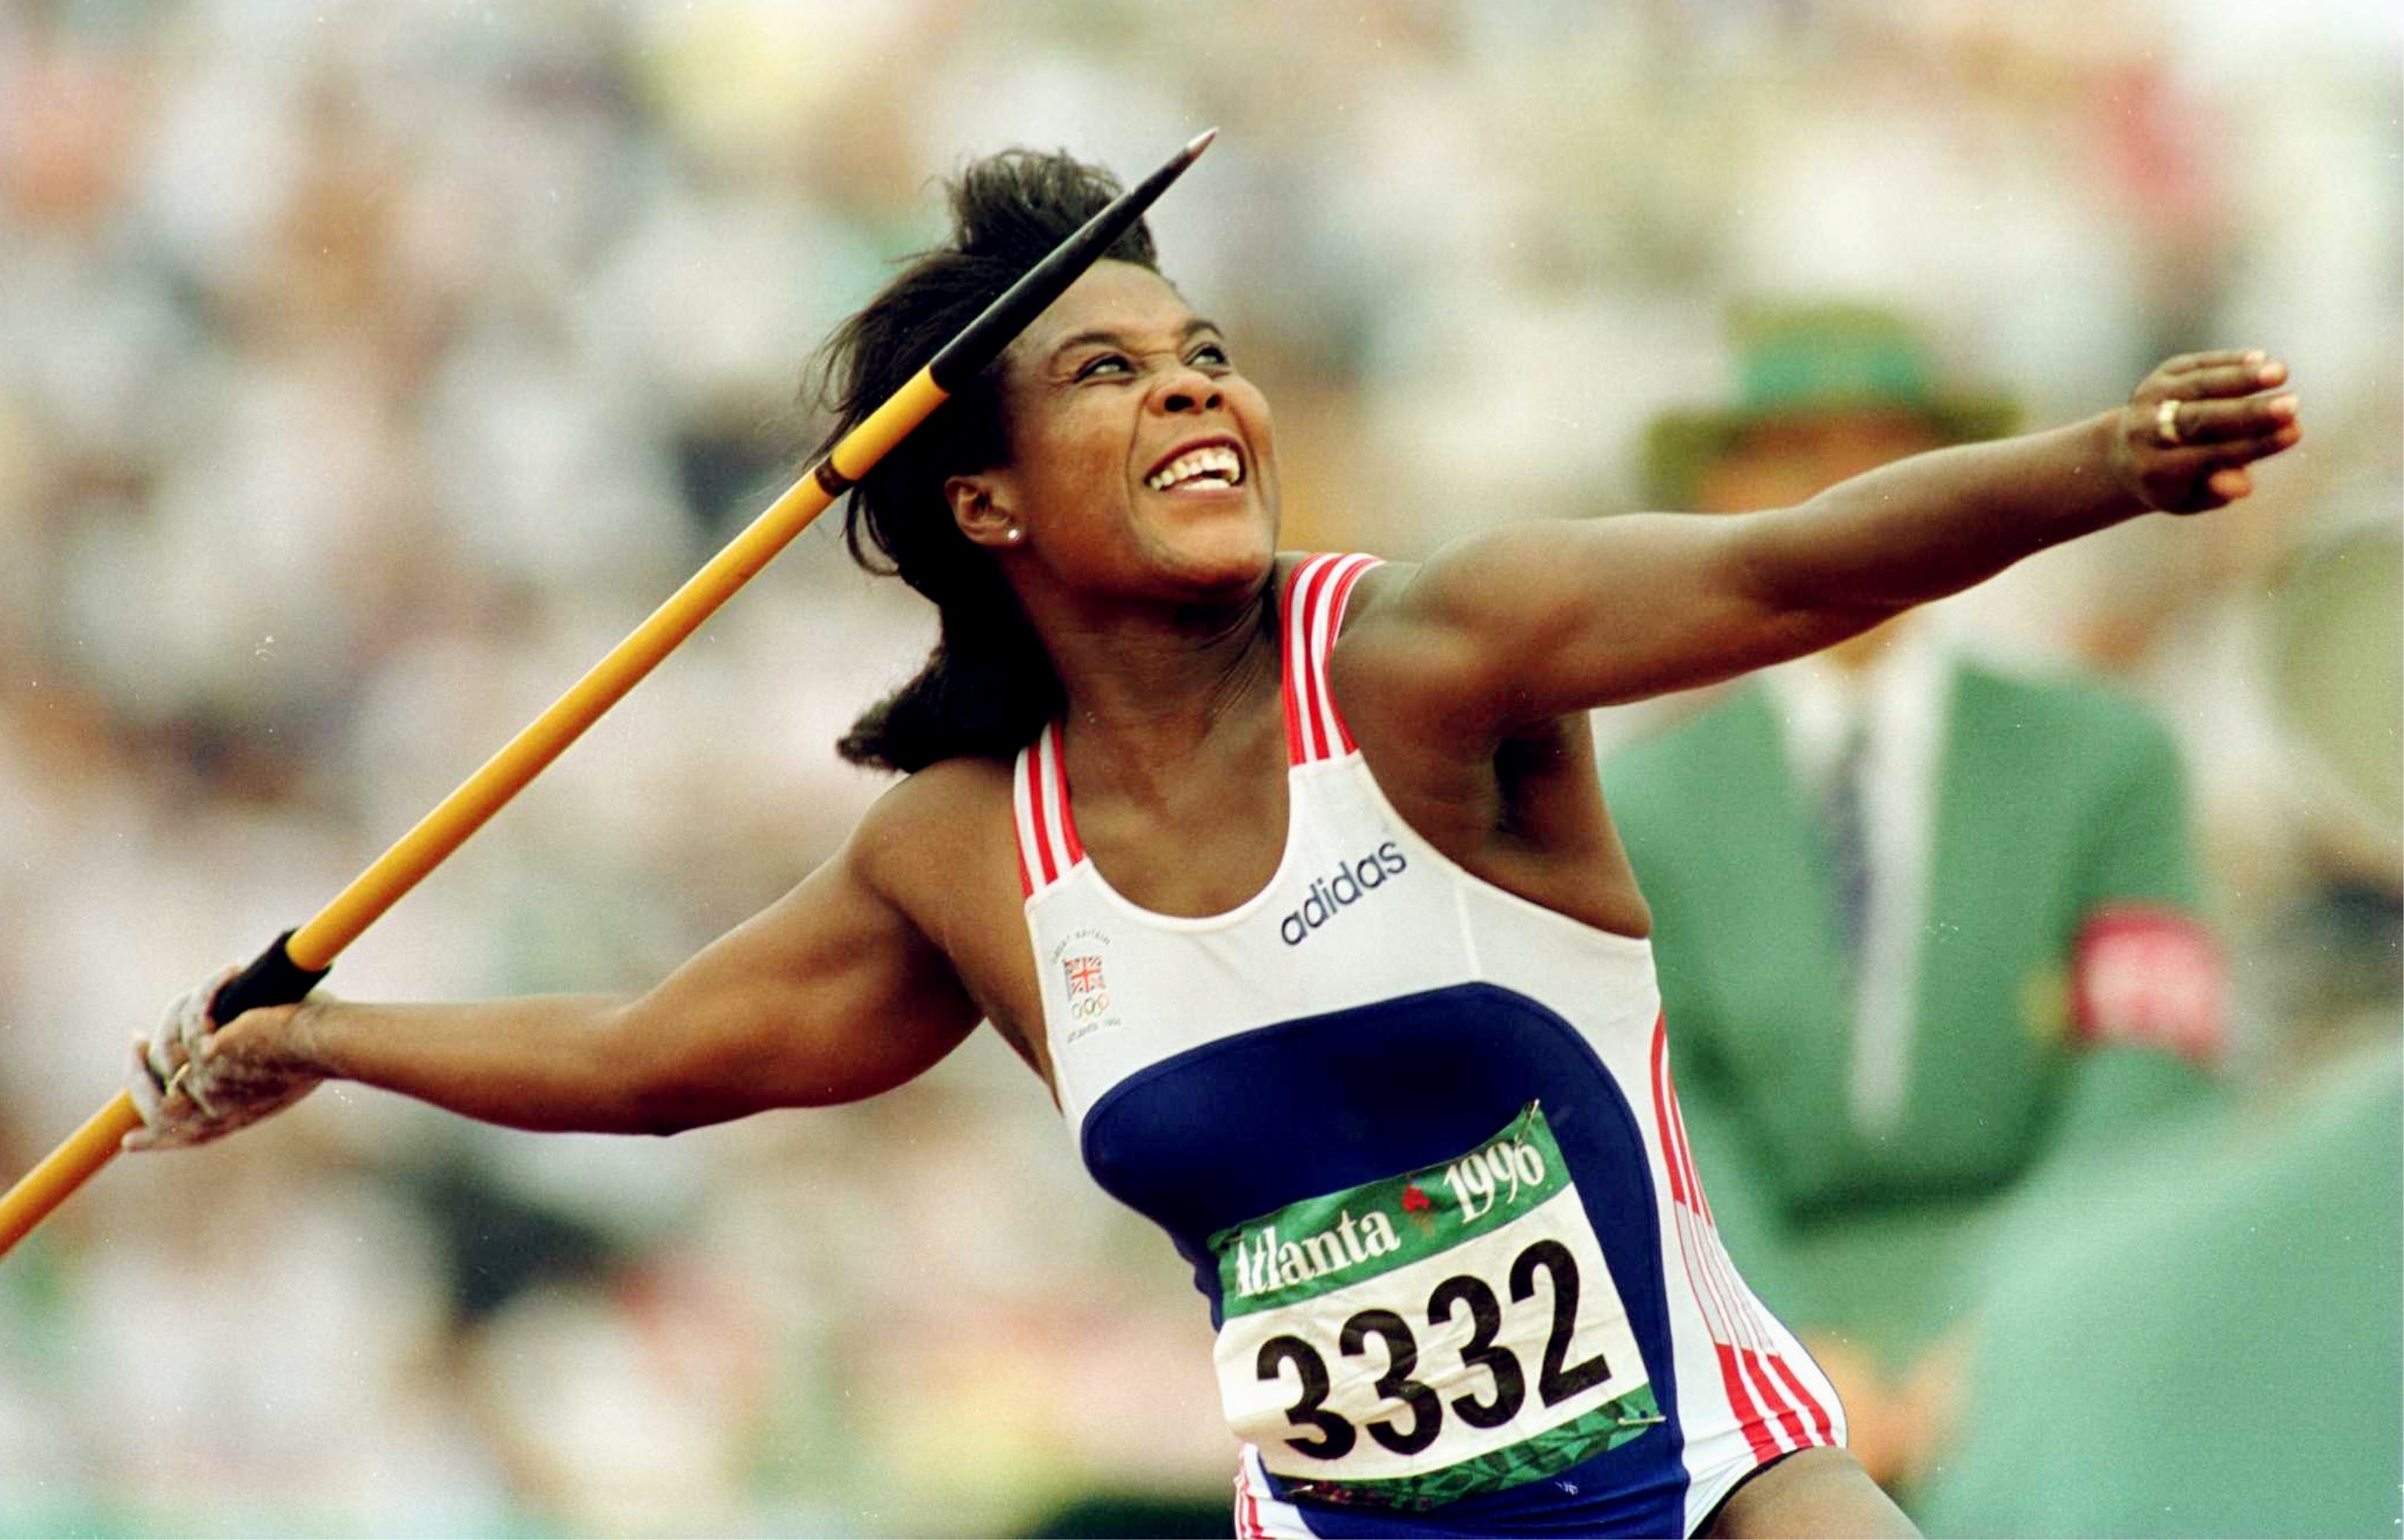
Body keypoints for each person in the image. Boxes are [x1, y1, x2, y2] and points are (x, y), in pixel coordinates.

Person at [121, 149, 2301, 1540]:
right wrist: (329, 1043)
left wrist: (2103, 461)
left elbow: (1780, 570)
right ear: (984, 501)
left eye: (1208, 357)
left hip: (1721, 1495)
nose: (1197, 396)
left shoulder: (1431, 656)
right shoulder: (966, 854)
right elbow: (653, 1061)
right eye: (1111, 375)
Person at [1600, 304, 2231, 1491]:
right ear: (1722, 490)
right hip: (1755, 1333)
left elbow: (2150, 1071)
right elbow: (1666, 1102)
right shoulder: (1643, 800)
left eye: (1888, 452)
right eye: (1792, 451)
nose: (1848, 493)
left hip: (2060, 1302)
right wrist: (1784, 1346)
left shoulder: (2103, 759)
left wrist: (2012, 1326)